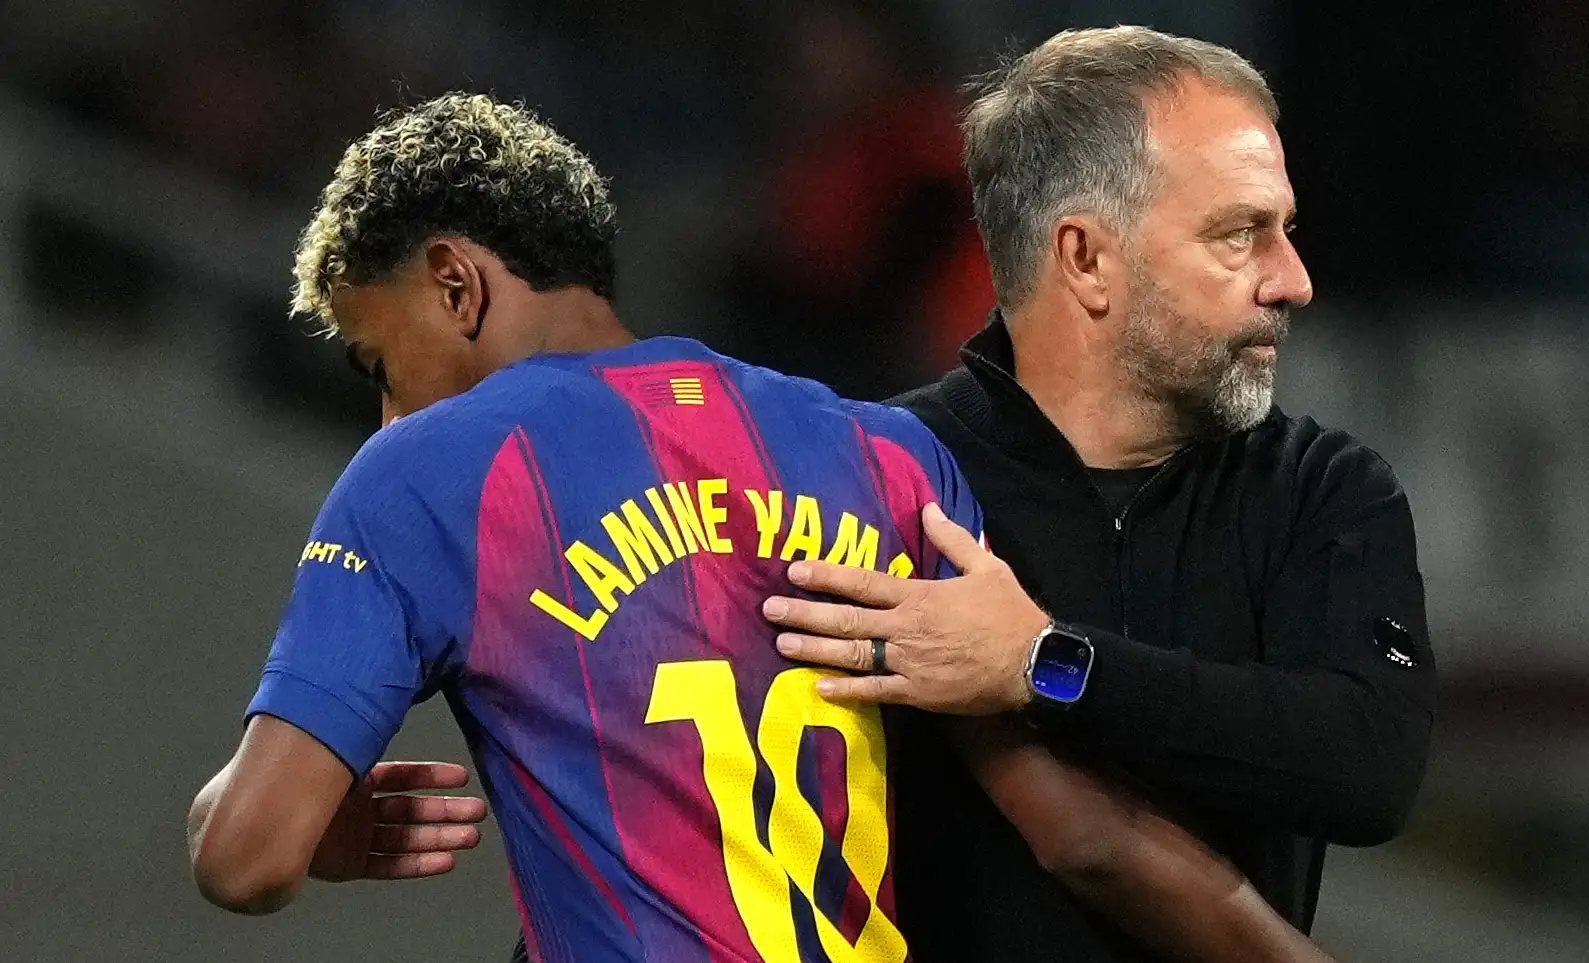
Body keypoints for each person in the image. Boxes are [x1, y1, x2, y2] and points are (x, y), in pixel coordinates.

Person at [184, 92, 1336, 962]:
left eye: (380, 363)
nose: (386, 414)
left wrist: (291, 828)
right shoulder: (885, 456)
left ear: (455, 284)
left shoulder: (430, 471)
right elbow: (1084, 838)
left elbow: (244, 857)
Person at [759, 25, 1437, 963]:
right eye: (1240, 234)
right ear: (1084, 258)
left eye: (1285, 230)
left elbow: (1368, 767)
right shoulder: (872, 474)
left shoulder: (1322, 490)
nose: (1294, 281)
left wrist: (1044, 662)